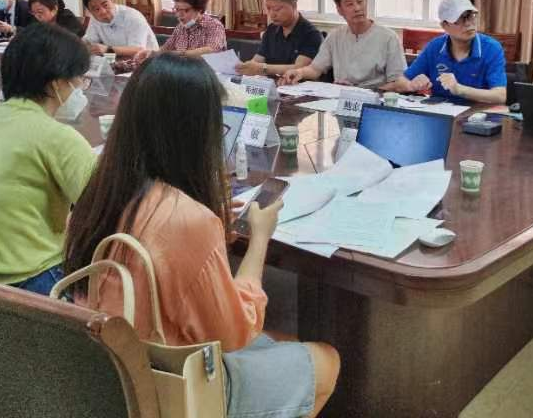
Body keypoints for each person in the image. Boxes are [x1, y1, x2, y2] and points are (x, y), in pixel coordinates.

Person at [63, 54, 340, 417]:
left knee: (280, 345)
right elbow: (235, 334)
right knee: (326, 359)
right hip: (167, 387)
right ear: (195, 131)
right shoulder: (186, 219)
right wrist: (259, 237)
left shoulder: (98, 193)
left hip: (106, 376)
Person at [0, 23, 97, 295]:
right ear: (56, 83)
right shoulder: (56, 137)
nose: (81, 88)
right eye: (80, 79)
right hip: (39, 278)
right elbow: (106, 210)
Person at [280, 0, 406, 88]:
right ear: (339, 10)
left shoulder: (389, 37)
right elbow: (315, 69)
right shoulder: (335, 36)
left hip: (373, 100)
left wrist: (368, 92)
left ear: (366, 2)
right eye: (350, 4)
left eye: (360, 1)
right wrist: (299, 72)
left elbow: (398, 81)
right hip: (340, 99)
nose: (357, 8)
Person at [392, 0, 507, 104]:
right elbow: (399, 83)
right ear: (444, 26)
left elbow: (500, 96)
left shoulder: (491, 48)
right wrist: (411, 85)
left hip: (478, 113)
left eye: (471, 16)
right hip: (440, 111)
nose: (468, 23)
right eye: (459, 19)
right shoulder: (435, 47)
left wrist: (459, 89)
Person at [236, 0, 322, 77]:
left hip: (295, 85)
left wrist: (264, 68)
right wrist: (246, 67)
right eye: (268, 8)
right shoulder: (271, 30)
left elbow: (299, 68)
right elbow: (257, 61)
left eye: (277, 9)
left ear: (294, 5)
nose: (272, 14)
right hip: (269, 84)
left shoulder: (311, 34)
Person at [134, 0, 226, 63]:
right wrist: (151, 53)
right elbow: (166, 48)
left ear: (199, 9)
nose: (179, 15)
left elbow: (211, 50)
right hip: (184, 73)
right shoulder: (180, 28)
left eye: (185, 10)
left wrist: (179, 54)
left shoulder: (214, 26)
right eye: (177, 9)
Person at [82, 0, 158, 57]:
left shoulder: (132, 16)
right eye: (96, 9)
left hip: (148, 60)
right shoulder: (95, 19)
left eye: (105, 5)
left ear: (111, 0)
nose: (103, 12)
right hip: (117, 60)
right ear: (90, 12)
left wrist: (108, 50)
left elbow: (139, 50)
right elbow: (89, 41)